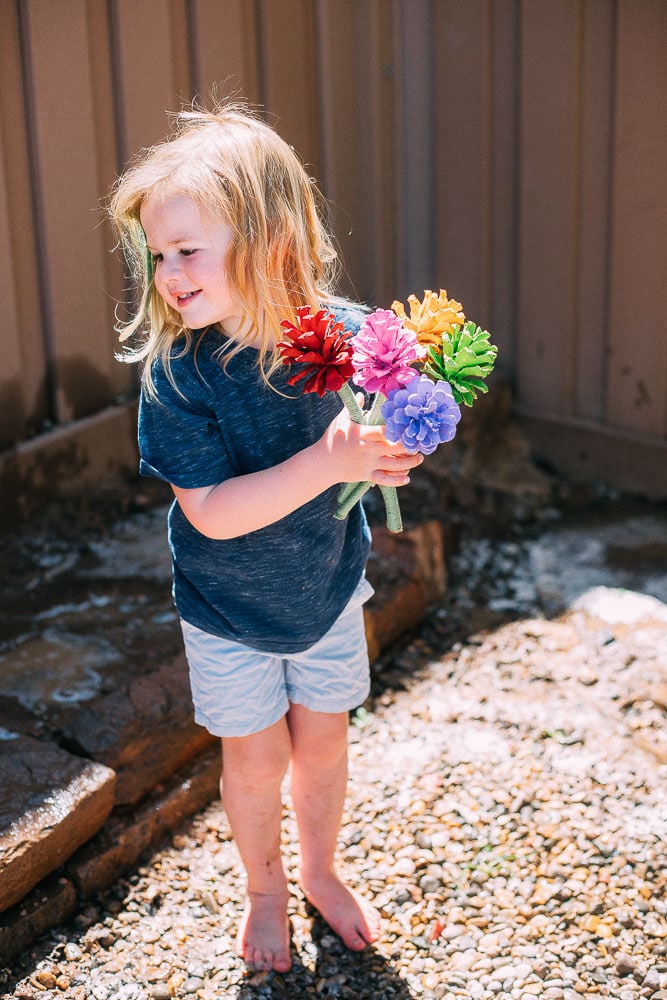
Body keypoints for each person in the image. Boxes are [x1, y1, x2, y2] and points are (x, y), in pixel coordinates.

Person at [108, 102, 422, 974]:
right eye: (158, 255)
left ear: (270, 239)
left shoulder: (344, 335)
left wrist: (400, 437)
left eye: (188, 250)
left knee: (321, 746)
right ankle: (263, 886)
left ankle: (319, 868)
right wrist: (328, 462)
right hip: (227, 608)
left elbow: (405, 412)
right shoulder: (179, 374)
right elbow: (209, 510)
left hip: (324, 589)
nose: (169, 273)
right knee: (255, 759)